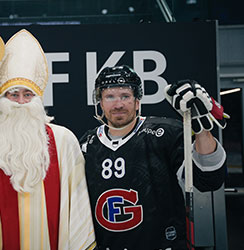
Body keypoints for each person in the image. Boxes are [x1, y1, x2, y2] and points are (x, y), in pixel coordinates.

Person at [0, 29, 96, 250]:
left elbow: (78, 204)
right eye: (13, 94)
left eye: (28, 95)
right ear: (1, 98)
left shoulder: (63, 140)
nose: (21, 101)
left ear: (38, 98)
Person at [80, 65, 227, 250]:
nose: (118, 104)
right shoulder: (87, 143)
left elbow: (210, 180)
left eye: (125, 96)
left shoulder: (165, 133)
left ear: (137, 101)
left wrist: (202, 130)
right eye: (110, 96)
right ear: (100, 102)